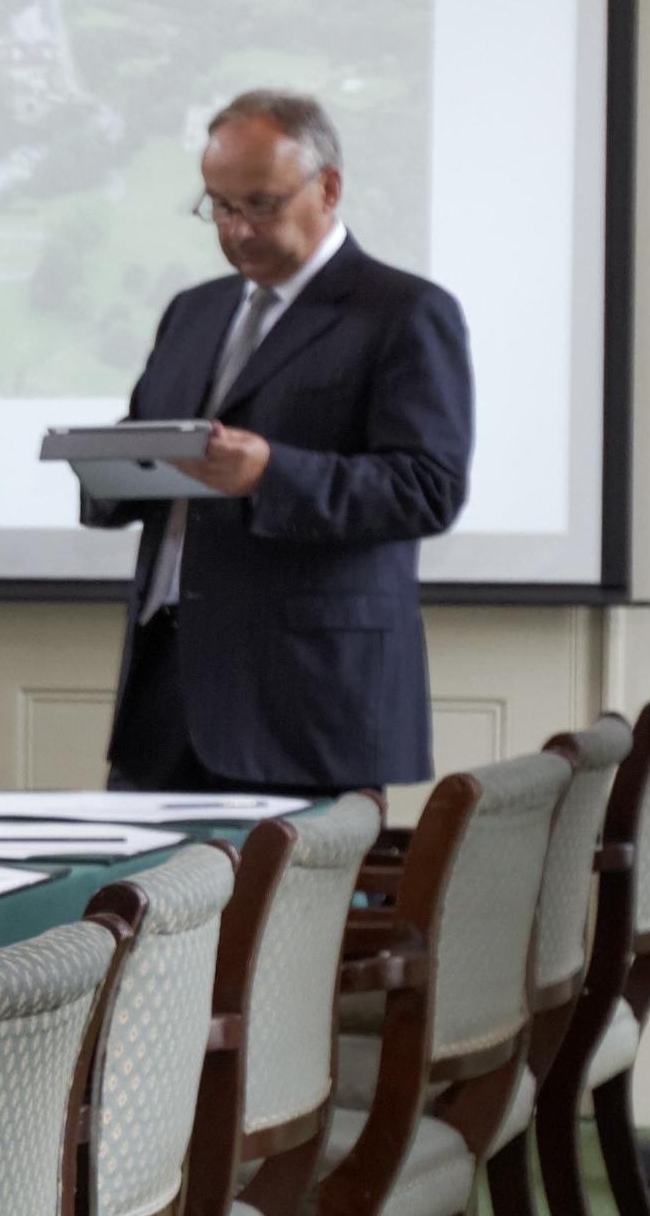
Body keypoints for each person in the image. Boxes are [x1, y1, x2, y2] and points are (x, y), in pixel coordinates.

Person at [87, 88, 470, 796]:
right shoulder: (193, 311)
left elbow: (428, 488)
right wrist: (106, 470)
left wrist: (270, 473)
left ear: (328, 188)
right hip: (165, 696)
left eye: (260, 204)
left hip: (305, 708)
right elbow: (151, 444)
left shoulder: (404, 313)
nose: (236, 230)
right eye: (219, 206)